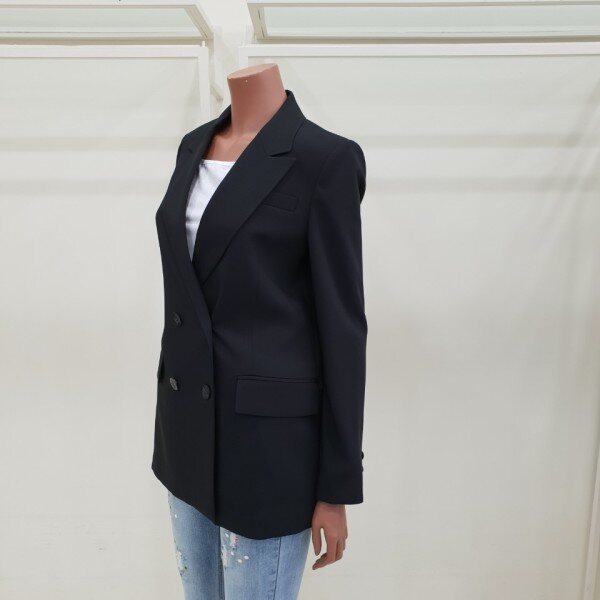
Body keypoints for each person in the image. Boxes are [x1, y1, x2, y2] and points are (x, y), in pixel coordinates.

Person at [152, 64, 367, 599]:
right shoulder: (193, 146)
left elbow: (343, 331)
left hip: (269, 450)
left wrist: (336, 487)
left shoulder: (325, 159)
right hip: (186, 432)